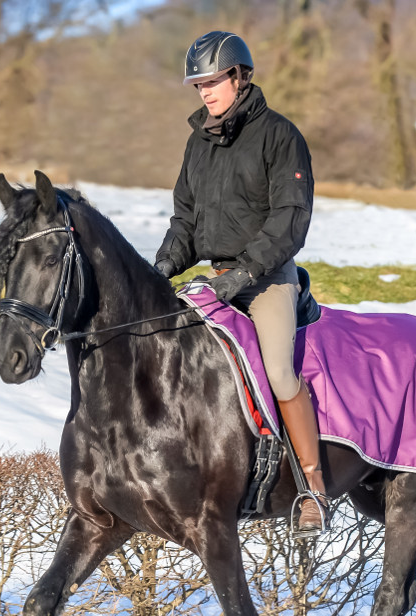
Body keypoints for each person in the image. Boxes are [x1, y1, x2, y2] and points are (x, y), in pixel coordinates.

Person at [154, 30, 330, 532]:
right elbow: (185, 222)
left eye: (213, 81)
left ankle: (312, 490)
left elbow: (290, 219)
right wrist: (161, 268)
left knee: (277, 373)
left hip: (268, 277)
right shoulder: (197, 143)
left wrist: (245, 274)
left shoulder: (280, 136)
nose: (205, 92)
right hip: (217, 277)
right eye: (198, 86)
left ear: (239, 76)